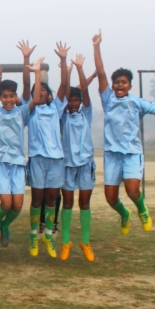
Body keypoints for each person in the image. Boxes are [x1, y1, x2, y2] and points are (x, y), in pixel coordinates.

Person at [92, 29, 155, 233]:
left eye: (123, 82)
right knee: (110, 198)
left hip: (132, 153)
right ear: (112, 85)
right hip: (111, 154)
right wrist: (96, 46)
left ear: (129, 85)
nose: (119, 85)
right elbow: (100, 72)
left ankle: (142, 210)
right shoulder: (107, 98)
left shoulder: (136, 102)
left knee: (132, 190)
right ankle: (124, 214)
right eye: (116, 82)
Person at [0, 54, 43, 250]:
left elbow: (37, 98)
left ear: (15, 97)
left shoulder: (21, 112)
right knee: (5, 204)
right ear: (0, 97)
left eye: (11, 96)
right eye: (4, 96)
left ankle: (5, 226)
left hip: (18, 164)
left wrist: (37, 73)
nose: (8, 99)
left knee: (17, 206)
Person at [22, 41, 68, 258]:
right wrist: (31, 66)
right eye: (36, 91)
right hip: (38, 159)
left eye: (44, 91)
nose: (41, 94)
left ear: (49, 95)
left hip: (56, 159)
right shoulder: (30, 111)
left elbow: (64, 86)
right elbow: (26, 86)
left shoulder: (55, 108)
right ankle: (33, 235)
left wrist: (63, 60)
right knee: (37, 198)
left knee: (52, 198)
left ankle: (48, 235)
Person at [59, 53, 96, 261]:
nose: (73, 103)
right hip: (68, 165)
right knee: (68, 203)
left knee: (85, 203)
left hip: (86, 165)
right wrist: (67, 70)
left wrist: (81, 70)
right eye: (70, 100)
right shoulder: (63, 116)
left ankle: (85, 241)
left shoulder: (86, 113)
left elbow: (85, 90)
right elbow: (63, 93)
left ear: (81, 102)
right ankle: (66, 242)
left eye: (76, 100)